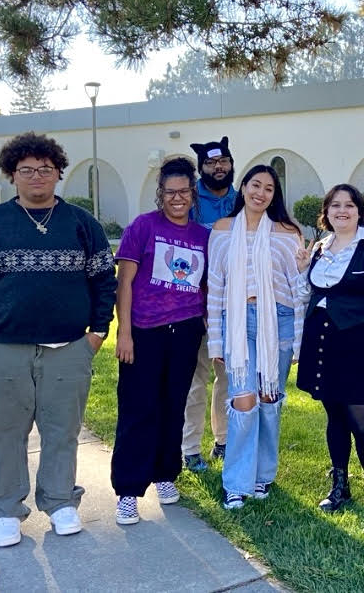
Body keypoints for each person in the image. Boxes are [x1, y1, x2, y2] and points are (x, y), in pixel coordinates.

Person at [0, 132, 116, 547]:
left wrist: (97, 334)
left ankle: (61, 502)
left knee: (62, 431)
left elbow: (103, 281)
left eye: (46, 168)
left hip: (68, 350)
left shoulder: (82, 223)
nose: (37, 176)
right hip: (2, 350)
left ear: (59, 173)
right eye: (26, 169)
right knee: (5, 434)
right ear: (12, 175)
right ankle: (6, 509)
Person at [296, 184, 364, 516]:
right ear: (326, 212)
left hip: (360, 344)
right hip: (323, 343)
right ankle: (340, 487)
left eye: (349, 205)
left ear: (359, 211)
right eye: (335, 205)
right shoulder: (319, 247)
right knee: (335, 417)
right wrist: (303, 270)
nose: (341, 211)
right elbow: (309, 295)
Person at [111, 157, 209, 523]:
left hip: (185, 333)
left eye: (184, 191)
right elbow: (124, 283)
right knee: (138, 410)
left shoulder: (203, 236)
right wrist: (124, 333)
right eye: (170, 192)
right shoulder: (142, 227)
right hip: (144, 333)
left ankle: (166, 475)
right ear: (160, 193)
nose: (177, 198)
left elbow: (206, 286)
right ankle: (127, 490)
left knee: (173, 406)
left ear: (192, 193)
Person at [207, 164, 304, 510]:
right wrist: (215, 341)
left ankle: (263, 475)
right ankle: (236, 482)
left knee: (268, 401)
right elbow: (216, 288)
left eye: (268, 189)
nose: (260, 193)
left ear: (274, 196)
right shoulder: (221, 230)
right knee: (243, 400)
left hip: (278, 321)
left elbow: (298, 290)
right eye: (255, 185)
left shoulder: (286, 232)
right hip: (235, 322)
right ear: (243, 187)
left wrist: (300, 340)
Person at [181, 136, 236, 471]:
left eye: (225, 162)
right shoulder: (189, 202)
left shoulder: (241, 199)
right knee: (194, 379)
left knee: (228, 378)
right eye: (213, 163)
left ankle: (224, 442)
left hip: (232, 307)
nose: (219, 167)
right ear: (201, 168)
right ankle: (189, 447)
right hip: (192, 307)